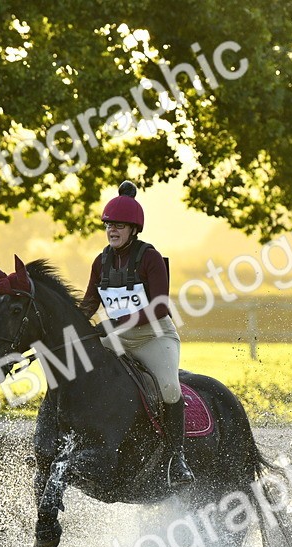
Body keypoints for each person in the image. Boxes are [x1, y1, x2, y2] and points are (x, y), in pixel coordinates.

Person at [78, 180, 194, 487]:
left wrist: (114, 324)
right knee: (76, 367)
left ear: (133, 229)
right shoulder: (100, 262)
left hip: (154, 336)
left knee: (169, 388)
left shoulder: (150, 258)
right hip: (116, 338)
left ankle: (176, 457)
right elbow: (89, 303)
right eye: (108, 226)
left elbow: (158, 307)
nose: (112, 231)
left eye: (118, 226)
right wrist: (67, 327)